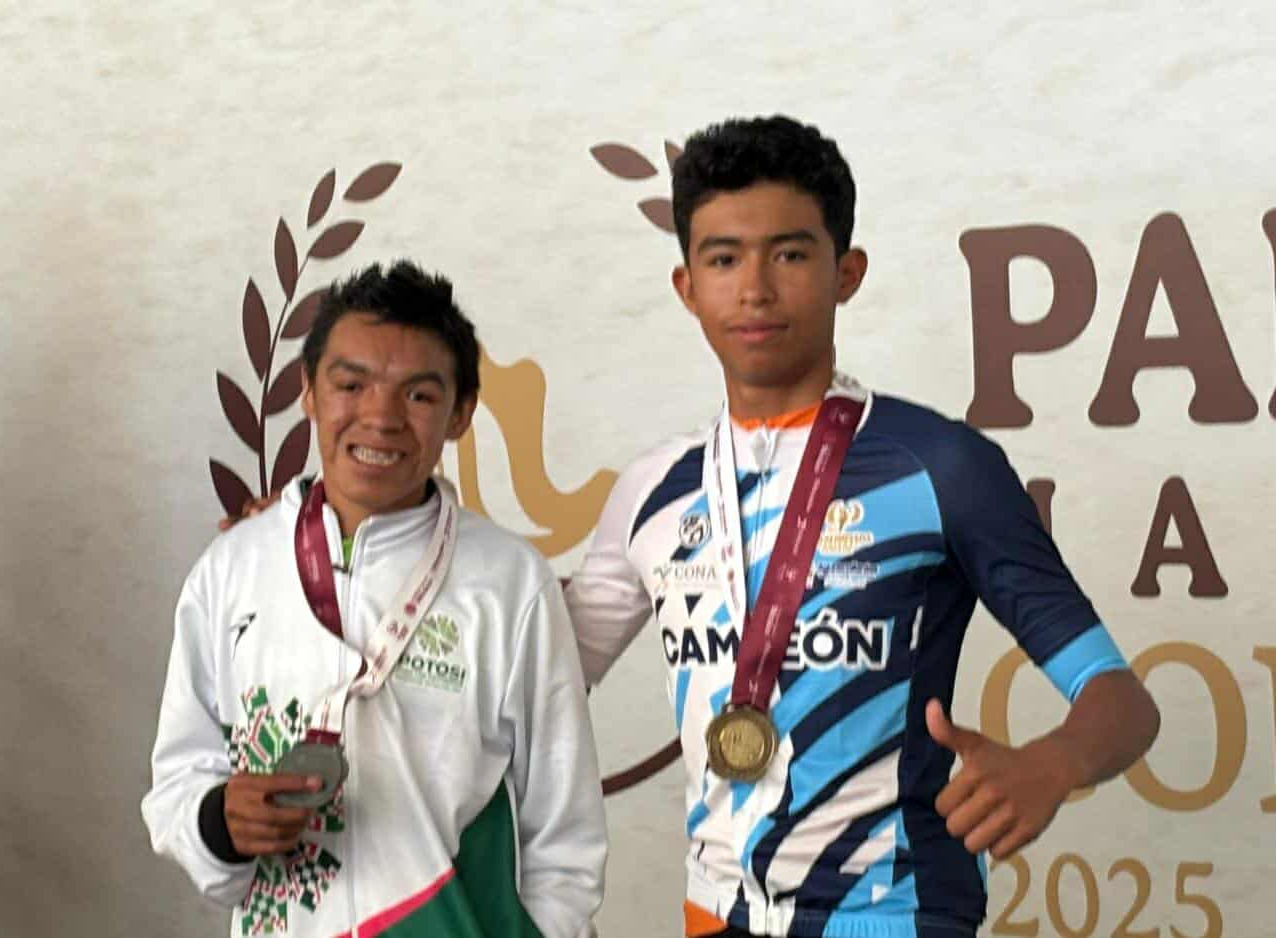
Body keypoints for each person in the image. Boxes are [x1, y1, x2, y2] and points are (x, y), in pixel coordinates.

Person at [562, 116, 1160, 938]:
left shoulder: (942, 465)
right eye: (724, 259)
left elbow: (1124, 703)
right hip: (714, 912)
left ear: (847, 273)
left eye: (790, 254)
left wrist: (1054, 763)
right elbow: (534, 679)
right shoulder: (652, 491)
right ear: (686, 286)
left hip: (893, 912)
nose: (755, 289)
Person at [144, 261, 606, 938]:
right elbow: (180, 773)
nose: (381, 418)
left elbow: (564, 836)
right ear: (308, 392)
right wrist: (219, 823)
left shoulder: (511, 583)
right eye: (351, 385)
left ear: (461, 413)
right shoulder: (232, 568)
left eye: (418, 395)